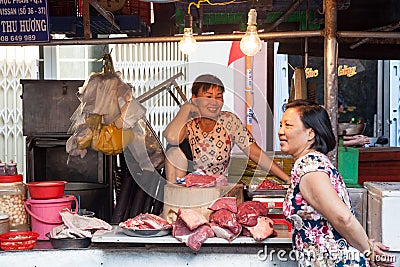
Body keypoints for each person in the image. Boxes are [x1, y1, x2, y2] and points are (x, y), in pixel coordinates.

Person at [279, 99, 393, 267]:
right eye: (281, 125)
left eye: (288, 126)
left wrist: (368, 250)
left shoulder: (310, 167)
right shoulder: (313, 162)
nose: (281, 131)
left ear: (310, 134)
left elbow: (342, 218)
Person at [163, 74, 289, 184]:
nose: (214, 102)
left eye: (218, 97)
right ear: (195, 98)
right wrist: (186, 108)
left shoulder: (229, 120)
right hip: (186, 193)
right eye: (208, 97)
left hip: (218, 192)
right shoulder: (187, 121)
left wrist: (287, 179)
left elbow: (256, 154)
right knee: (173, 152)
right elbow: (172, 138)